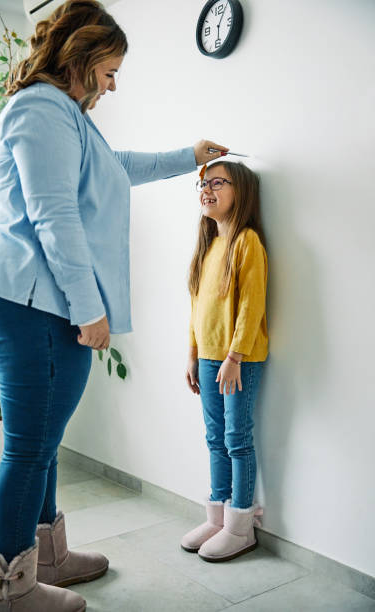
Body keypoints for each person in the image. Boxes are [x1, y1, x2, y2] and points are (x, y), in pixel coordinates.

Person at [0, 1, 228, 609]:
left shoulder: (65, 116)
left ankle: (47, 559)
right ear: (81, 59)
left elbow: (114, 168)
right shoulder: (40, 110)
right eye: (109, 72)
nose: (113, 85)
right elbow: (54, 217)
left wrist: (189, 156)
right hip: (25, 298)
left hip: (28, 297)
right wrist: (90, 310)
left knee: (41, 438)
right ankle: (10, 592)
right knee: (29, 446)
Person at [181, 160, 268, 563]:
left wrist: (234, 356)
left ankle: (240, 527)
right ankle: (216, 516)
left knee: (237, 439)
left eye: (218, 182)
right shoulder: (207, 246)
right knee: (215, 439)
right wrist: (193, 354)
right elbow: (197, 309)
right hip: (210, 359)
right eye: (203, 182)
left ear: (241, 191)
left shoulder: (247, 242)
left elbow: (251, 307)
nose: (207, 188)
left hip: (238, 360)